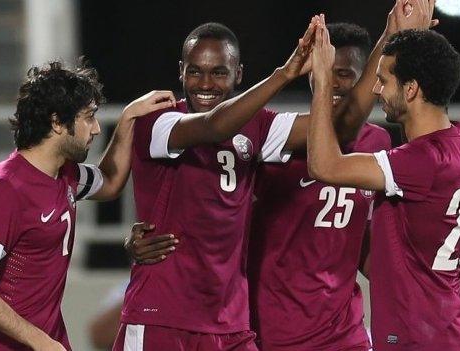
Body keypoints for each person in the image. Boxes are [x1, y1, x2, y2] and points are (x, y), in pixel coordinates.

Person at [114, 20, 319, 350]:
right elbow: (214, 126)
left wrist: (381, 44)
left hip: (230, 322)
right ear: (181, 71)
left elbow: (338, 126)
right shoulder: (159, 121)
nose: (205, 84)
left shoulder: (258, 125)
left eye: (219, 72)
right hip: (162, 316)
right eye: (195, 72)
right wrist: (284, 73)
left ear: (238, 73)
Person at [0, 60, 176, 351]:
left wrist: (127, 119)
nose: (96, 128)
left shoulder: (65, 174)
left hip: (48, 342)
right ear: (57, 122)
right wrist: (39, 340)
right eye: (88, 117)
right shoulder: (5, 188)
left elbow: (110, 181)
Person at [308, 10, 460, 351]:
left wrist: (323, 82)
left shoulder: (421, 162)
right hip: (445, 327)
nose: (375, 88)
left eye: (384, 80)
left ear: (411, 89)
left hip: (418, 335)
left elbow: (324, 166)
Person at [247, 22, 391, 351]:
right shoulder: (279, 139)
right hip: (274, 328)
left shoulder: (379, 142)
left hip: (344, 332)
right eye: (326, 70)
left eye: (345, 73)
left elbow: (361, 236)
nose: (334, 81)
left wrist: (406, 281)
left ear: (367, 80)